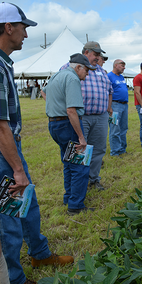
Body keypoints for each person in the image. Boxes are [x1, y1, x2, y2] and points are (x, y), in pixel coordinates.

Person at [0, 3, 73, 284]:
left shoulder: (5, 63)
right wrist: (16, 168)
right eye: (23, 28)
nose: (26, 35)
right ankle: (14, 279)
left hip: (11, 148)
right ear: (8, 27)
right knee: (9, 216)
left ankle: (40, 253)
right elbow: (0, 125)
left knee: (27, 203)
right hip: (5, 151)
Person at [44, 53, 96, 215]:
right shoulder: (72, 78)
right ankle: (75, 205)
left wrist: (55, 105)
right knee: (80, 166)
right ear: (78, 67)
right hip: (68, 124)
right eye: (86, 71)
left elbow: (43, 92)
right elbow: (71, 110)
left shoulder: (57, 76)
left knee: (68, 162)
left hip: (54, 124)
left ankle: (69, 197)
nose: (87, 75)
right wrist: (81, 137)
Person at [60, 41, 113, 191]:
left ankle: (93, 179)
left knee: (98, 150)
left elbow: (110, 91)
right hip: (80, 117)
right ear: (86, 53)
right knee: (79, 150)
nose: (98, 57)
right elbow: (53, 89)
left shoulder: (102, 71)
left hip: (101, 117)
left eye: (99, 55)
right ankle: (78, 184)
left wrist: (108, 107)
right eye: (95, 54)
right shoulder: (69, 67)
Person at [107, 59, 129, 156]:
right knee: (115, 129)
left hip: (124, 105)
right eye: (122, 65)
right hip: (115, 105)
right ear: (116, 65)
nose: (124, 67)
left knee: (124, 128)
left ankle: (122, 149)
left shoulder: (121, 77)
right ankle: (115, 151)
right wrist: (109, 107)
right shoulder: (109, 76)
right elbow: (107, 92)